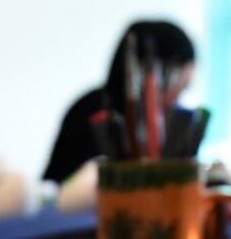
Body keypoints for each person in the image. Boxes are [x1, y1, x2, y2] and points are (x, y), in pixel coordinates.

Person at [42, 21, 196, 184]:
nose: (175, 102)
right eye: (176, 88)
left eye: (182, 91)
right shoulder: (93, 111)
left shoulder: (169, 127)